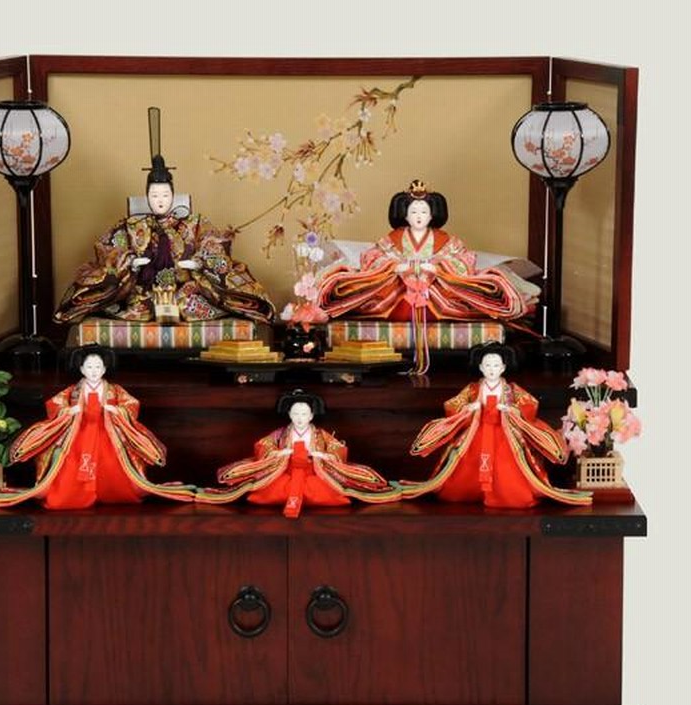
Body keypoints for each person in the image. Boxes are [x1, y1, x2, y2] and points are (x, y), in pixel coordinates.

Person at [53, 155, 275, 325]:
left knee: (187, 304)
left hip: (184, 289)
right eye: (154, 195)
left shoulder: (194, 222)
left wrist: (199, 262)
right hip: (144, 291)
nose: (160, 201)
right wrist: (129, 261)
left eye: (165, 195)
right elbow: (108, 249)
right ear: (147, 196)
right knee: (138, 307)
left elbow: (214, 244)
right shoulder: (132, 225)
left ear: (173, 196)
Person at [0, 345, 195, 510]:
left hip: (107, 432)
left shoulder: (114, 390)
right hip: (78, 431)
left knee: (113, 465)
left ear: (104, 369)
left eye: (98, 367)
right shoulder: (73, 391)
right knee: (68, 462)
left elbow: (131, 404)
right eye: (89, 367)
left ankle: (113, 492)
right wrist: (68, 411)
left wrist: (117, 411)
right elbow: (55, 404)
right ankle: (72, 495)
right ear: (81, 369)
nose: (94, 371)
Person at [317, 180, 539, 323]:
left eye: (424, 211)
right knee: (365, 288)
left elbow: (464, 259)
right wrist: (395, 266)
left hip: (438, 289)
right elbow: (373, 257)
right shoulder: (392, 238)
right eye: (414, 211)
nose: (419, 216)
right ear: (405, 215)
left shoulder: (445, 239)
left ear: (432, 215)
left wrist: (437, 267)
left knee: (469, 291)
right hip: (398, 289)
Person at [399, 343, 591, 508]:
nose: (492, 369)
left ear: (503, 368)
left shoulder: (511, 390)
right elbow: (453, 404)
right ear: (481, 367)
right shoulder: (473, 389)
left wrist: (511, 409)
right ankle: (469, 492)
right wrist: (469, 407)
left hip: (504, 432)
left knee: (507, 468)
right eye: (488, 365)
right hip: (477, 431)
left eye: (496, 365)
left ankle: (505, 495)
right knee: (466, 465)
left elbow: (530, 404)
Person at [195, 390, 401, 517]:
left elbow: (337, 448)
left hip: (315, 472)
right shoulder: (281, 433)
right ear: (289, 414)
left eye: (304, 414)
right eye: (295, 413)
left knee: (327, 492)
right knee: (266, 491)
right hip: (285, 471)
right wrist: (279, 452)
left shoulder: (320, 434)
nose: (300, 418)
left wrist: (323, 455)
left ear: (311, 415)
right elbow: (264, 444)